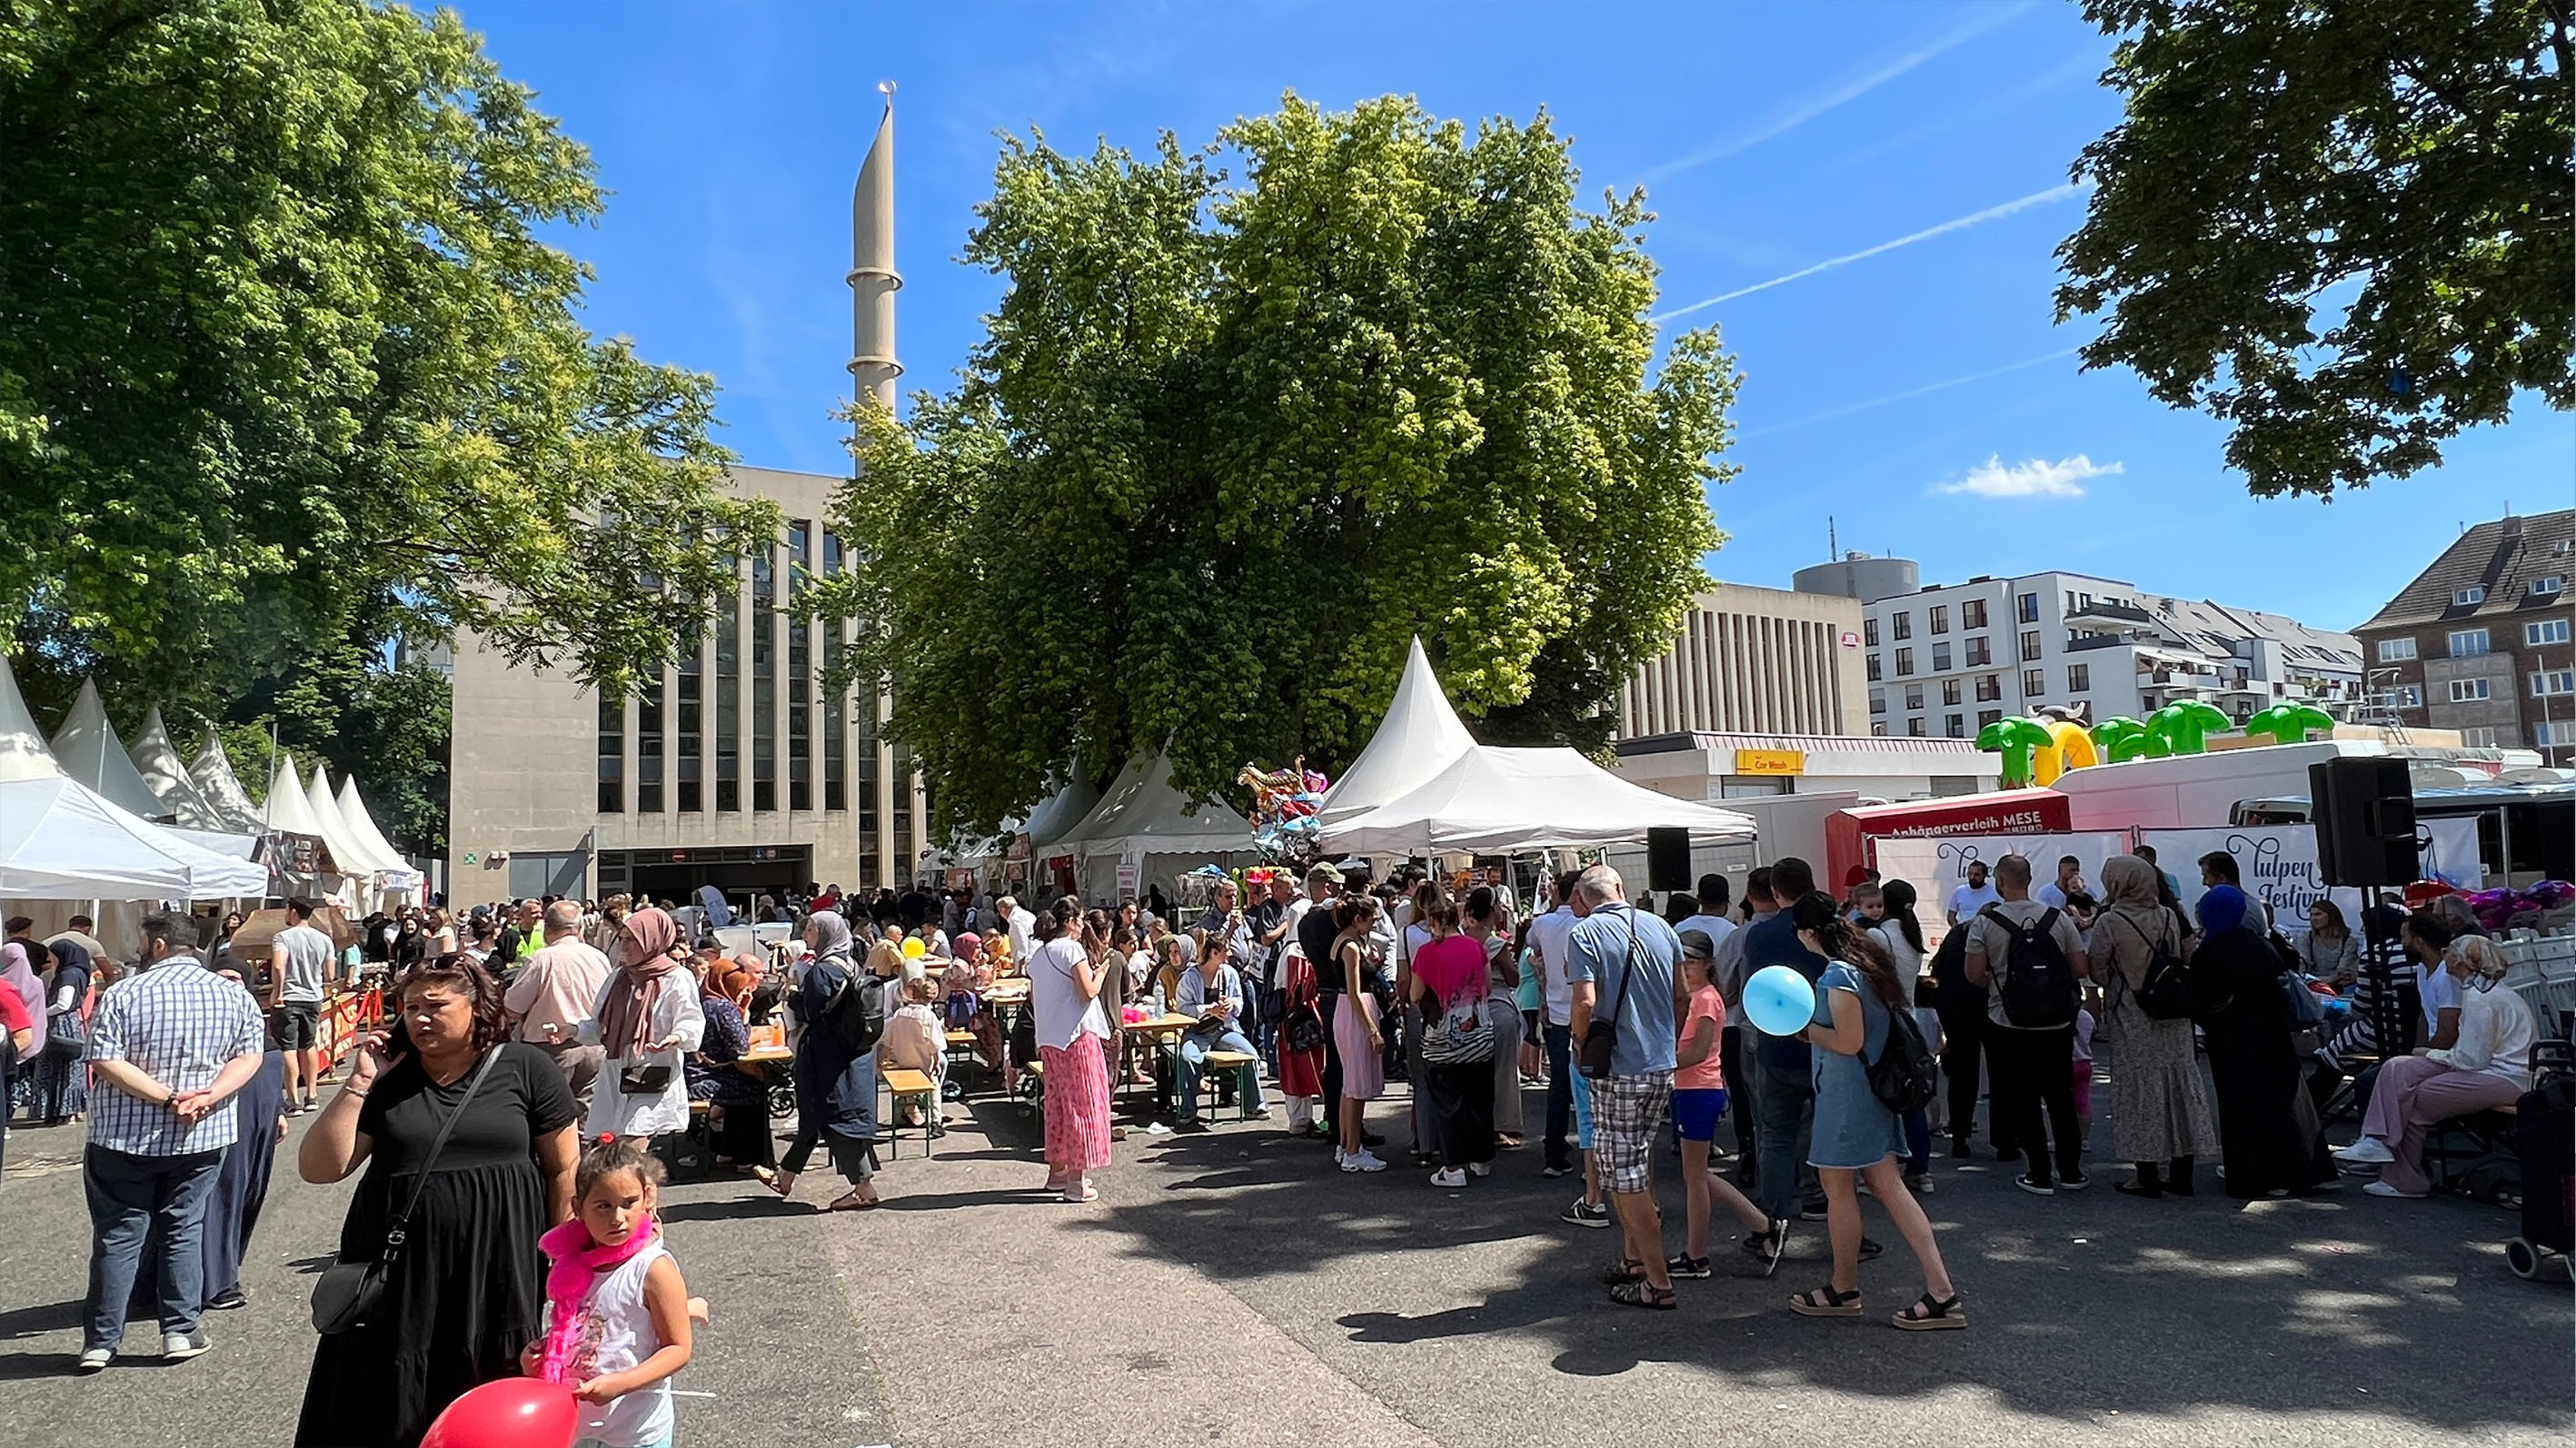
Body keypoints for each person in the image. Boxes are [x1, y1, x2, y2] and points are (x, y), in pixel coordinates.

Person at [294, 955, 579, 1446]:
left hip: (500, 1263)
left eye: (436, 1006)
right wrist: (362, 1081)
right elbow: (321, 1169)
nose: (420, 1018)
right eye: (409, 1007)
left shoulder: (526, 1067)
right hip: (404, 1271)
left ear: (476, 1007)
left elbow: (563, 1169)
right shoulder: (392, 1081)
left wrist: (565, 1262)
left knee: (491, 1382)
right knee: (394, 1389)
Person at [76, 912, 268, 1373]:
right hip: (202, 1132)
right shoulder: (230, 994)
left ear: (158, 944)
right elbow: (250, 1056)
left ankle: (101, 1341)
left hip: (124, 1134)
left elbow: (105, 1060)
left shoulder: (125, 992)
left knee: (120, 1235)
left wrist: (166, 1097)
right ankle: (179, 1331)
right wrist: (207, 1095)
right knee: (183, 1228)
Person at [1784, 895, 1964, 1330]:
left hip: (1848, 1097)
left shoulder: (1838, 974)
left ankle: (1853, 1288)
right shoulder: (1867, 963)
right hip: (1867, 1093)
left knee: (1845, 1187)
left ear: (1808, 934)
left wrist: (1804, 1029)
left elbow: (1847, 1041)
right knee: (1882, 1185)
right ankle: (1927, 1289)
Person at [1563, 865, 1683, 1310]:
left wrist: (1579, 1043)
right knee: (1638, 1160)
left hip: (1618, 1067)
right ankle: (1636, 1261)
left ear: (1584, 898)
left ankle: (1657, 1279)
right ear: (1620, 888)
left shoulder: (1585, 934)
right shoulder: (1659, 926)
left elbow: (1586, 1001)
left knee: (1625, 1177)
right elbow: (1681, 993)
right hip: (1659, 1062)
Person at [2337, 935, 2538, 1197]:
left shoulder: (2481, 998)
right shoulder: (2480, 991)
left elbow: (2471, 1059)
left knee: (2414, 1096)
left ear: (2462, 961)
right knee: (2397, 1068)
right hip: (2489, 1068)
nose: (2445, 957)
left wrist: (2432, 1053)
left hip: (2506, 1076)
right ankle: (2376, 1139)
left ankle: (2404, 1179)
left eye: (2449, 952)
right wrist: (2432, 1055)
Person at [527, 1136, 695, 1448]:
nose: (617, 1218)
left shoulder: (653, 1268)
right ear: (578, 1207)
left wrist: (621, 1384)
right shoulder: (571, 1267)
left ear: (646, 1199)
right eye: (603, 1206)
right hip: (575, 1427)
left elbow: (678, 1348)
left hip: (634, 1432)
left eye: (628, 1203)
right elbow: (577, 1332)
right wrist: (537, 1357)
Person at [2188, 886, 2334, 1199]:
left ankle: (2257, 1178)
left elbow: (2199, 1002)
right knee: (2285, 1102)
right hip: (2271, 1035)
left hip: (2231, 1040)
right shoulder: (2262, 945)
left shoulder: (2208, 953)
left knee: (2242, 1108)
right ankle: (2301, 1172)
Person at [2088, 857, 2218, 1198]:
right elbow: (2186, 956)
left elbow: (2097, 970)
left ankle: (2145, 1174)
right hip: (2173, 1014)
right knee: (2178, 1087)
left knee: (2141, 1090)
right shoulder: (2169, 916)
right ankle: (2182, 1173)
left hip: (2134, 1014)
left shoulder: (2111, 921)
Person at [1962, 854, 2090, 1195]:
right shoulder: (2057, 919)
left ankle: (2039, 1172)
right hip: (2056, 1020)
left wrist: (2000, 981)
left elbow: (1973, 974)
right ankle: (2071, 1170)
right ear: (2030, 880)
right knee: (2060, 1094)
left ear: (1999, 883)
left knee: (2024, 1096)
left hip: (2008, 1020)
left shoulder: (1986, 923)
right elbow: (2079, 968)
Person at [1668, 928, 1781, 1279]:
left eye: (1692, 961)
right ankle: (1762, 1225)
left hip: (1698, 1090)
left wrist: (1658, 1062)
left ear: (1707, 964)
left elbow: (1699, 1052)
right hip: (1690, 1090)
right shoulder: (1692, 996)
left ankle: (1698, 1255)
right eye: (1681, 960)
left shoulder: (1705, 999)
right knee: (1696, 1176)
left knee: (1696, 1179)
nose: (1685, 967)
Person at [763, 910, 884, 1210]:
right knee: (819, 1117)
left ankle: (864, 1190)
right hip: (851, 1053)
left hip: (829, 1057)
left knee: (835, 1119)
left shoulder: (823, 970)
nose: (806, 934)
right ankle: (785, 1176)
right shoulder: (849, 961)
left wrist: (791, 996)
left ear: (826, 933)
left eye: (812, 929)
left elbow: (810, 1010)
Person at [1744, 856, 1835, 1232]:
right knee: (1828, 1131)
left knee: (1777, 1133)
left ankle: (1774, 1216)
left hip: (1777, 1043)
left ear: (1775, 892)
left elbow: (1754, 987)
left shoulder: (1760, 934)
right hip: (1830, 1041)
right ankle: (1826, 1200)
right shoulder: (1831, 926)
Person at [584, 908, 704, 1146]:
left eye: (632, 940)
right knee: (613, 1150)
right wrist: (572, 1030)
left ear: (652, 941)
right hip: (616, 1072)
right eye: (622, 939)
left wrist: (677, 1037)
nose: (623, 946)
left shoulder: (677, 977)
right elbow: (598, 1026)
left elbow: (691, 1020)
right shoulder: (618, 977)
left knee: (632, 1147)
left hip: (653, 1074)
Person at [1029, 898, 1113, 1203]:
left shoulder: (1038, 955)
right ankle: (1077, 1181)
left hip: (1050, 1037)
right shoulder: (1071, 949)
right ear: (1072, 921)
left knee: (1058, 1105)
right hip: (1077, 1036)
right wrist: (1101, 972)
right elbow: (1087, 991)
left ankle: (1058, 1172)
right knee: (1084, 1104)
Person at [1410, 896, 1496, 1186]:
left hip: (1442, 1039)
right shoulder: (1475, 946)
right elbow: (1489, 984)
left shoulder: (1425, 953)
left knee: (1448, 1103)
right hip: (1479, 1032)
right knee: (1480, 1098)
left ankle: (1453, 1167)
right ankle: (1481, 1159)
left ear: (1434, 922)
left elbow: (1415, 995)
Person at [506, 901, 615, 1112]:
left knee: (551, 1115)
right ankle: (586, 1146)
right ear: (579, 928)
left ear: (547, 928)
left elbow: (513, 1008)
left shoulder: (542, 959)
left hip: (550, 1047)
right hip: (594, 1046)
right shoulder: (599, 957)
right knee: (587, 1116)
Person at [201, 1047, 286, 1312]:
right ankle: (213, 1280)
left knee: (250, 1188)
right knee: (223, 1188)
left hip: (264, 1073)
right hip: (227, 1079)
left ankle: (214, 1272)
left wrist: (278, 1105)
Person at [1710, 868, 1774, 1188]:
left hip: (1741, 1024)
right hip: (1799, 1027)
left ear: (1749, 896)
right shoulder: (1800, 930)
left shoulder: (1739, 936)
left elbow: (1724, 982)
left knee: (1746, 1094)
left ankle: (1751, 1153)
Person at [1868, 881, 1934, 1194]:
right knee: (1912, 1097)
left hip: (1885, 1024)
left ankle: (1885, 1169)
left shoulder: (1879, 936)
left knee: (1883, 1095)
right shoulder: (1912, 935)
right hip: (1912, 1020)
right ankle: (1920, 1169)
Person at [687, 955, 774, 1172]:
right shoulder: (723, 1008)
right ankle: (748, 1157)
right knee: (753, 1088)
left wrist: (742, 1012)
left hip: (695, 1075)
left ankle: (727, 1152)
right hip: (704, 1080)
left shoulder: (705, 1001)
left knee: (742, 1081)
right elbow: (741, 1048)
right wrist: (744, 1016)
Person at [1173, 933, 1262, 1130]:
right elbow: (1183, 1008)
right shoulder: (1190, 977)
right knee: (1188, 1058)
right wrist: (1207, 1009)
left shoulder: (1229, 973)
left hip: (1224, 1029)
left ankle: (1254, 1106)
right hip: (1198, 1031)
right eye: (1225, 950)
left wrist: (1232, 1004)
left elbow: (1238, 1000)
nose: (1229, 954)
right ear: (1214, 953)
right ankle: (1187, 1111)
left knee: (1251, 1055)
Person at [1330, 895, 1390, 1173]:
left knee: (1349, 1086)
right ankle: (1353, 1150)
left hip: (1346, 1010)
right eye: (1372, 919)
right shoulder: (1351, 946)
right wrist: (1372, 1030)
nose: (1375, 923)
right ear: (1358, 920)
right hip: (1354, 1012)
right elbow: (1354, 993)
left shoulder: (1345, 941)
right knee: (1355, 1088)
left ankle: (1347, 1145)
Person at [1461, 887, 1525, 1150]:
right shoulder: (1494, 942)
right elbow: (1513, 976)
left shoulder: (1462, 939)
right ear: (1491, 910)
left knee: (1473, 1071)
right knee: (1503, 1070)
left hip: (1465, 1008)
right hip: (1496, 1004)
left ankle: (1473, 1124)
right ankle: (1501, 1125)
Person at [1530, 870, 1582, 1179]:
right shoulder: (1588, 925)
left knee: (1559, 1083)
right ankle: (1593, 1153)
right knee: (1593, 1083)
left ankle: (1554, 1150)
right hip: (1585, 1011)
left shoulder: (1543, 923)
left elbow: (1532, 946)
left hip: (1555, 1011)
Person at [266, 900, 334, 1116]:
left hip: (289, 998)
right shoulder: (324, 939)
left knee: (288, 1047)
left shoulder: (283, 937)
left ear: (293, 912)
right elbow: (330, 974)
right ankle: (311, 1095)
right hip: (313, 997)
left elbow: (278, 965)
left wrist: (278, 992)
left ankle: (293, 1099)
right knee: (309, 1044)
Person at [35, 937, 94, 1126]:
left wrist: (42, 1013)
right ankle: (71, 1109)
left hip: (61, 1023)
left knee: (58, 1068)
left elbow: (63, 1004)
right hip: (72, 1023)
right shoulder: (79, 972)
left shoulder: (67, 975)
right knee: (71, 1069)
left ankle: (61, 1110)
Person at [2196, 850, 2272, 934]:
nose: (2204, 883)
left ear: (2221, 878)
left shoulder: (2244, 910)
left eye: (2206, 877)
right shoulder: (2251, 904)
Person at [2297, 900, 2361, 987]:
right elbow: (2302, 965)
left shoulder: (2348, 942)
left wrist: (2329, 980)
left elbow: (2343, 971)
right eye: (2311, 915)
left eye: (2318, 914)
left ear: (2332, 916)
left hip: (2338, 986)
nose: (2313, 918)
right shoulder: (2306, 938)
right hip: (2310, 985)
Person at [1944, 860, 1998, 926]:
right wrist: (1955, 927)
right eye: (1970, 874)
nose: (1972, 877)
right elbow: (1951, 916)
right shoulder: (1959, 891)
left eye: (1977, 875)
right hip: (1964, 930)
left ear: (1985, 875)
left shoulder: (1994, 892)